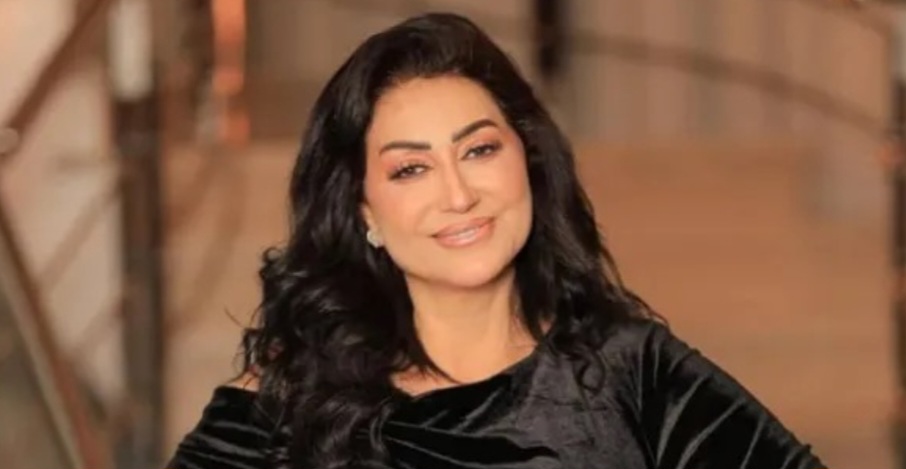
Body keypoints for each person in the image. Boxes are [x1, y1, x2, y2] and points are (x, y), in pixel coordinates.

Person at [166, 13, 825, 469]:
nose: (458, 194)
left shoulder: (632, 371)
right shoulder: (286, 404)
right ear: (365, 211)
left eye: (479, 150)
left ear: (528, 161)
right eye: (411, 169)